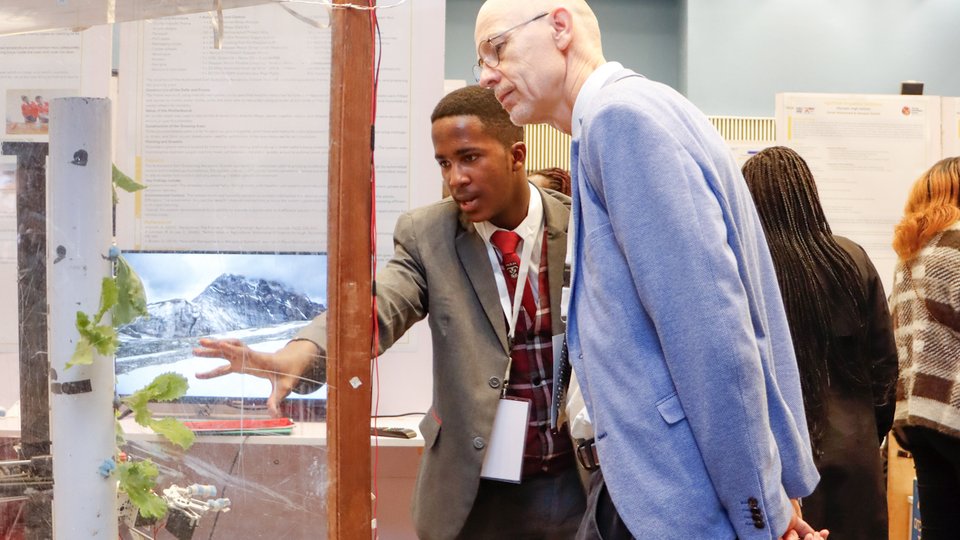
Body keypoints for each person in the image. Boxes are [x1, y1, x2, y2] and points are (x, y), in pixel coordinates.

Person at [474, 2, 827, 539]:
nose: (485, 75)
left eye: (497, 48)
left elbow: (712, 335)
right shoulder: (640, 109)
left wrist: (763, 511)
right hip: (648, 487)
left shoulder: (622, 121)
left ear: (560, 27)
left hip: (676, 500)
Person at [194, 85, 586, 539]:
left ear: (516, 155)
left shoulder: (579, 225)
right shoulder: (429, 235)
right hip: (475, 490)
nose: (455, 178)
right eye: (444, 163)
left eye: (469, 157)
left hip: (569, 478)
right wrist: (299, 355)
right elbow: (378, 309)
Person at [742, 146, 898, 540]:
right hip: (855, 461)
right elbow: (884, 369)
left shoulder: (748, 271)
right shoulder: (853, 260)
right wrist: (866, 432)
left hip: (779, 473)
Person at [889, 156, 960, 540]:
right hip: (955, 413)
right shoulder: (957, 244)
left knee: (939, 529)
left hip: (919, 419)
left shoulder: (907, 256)